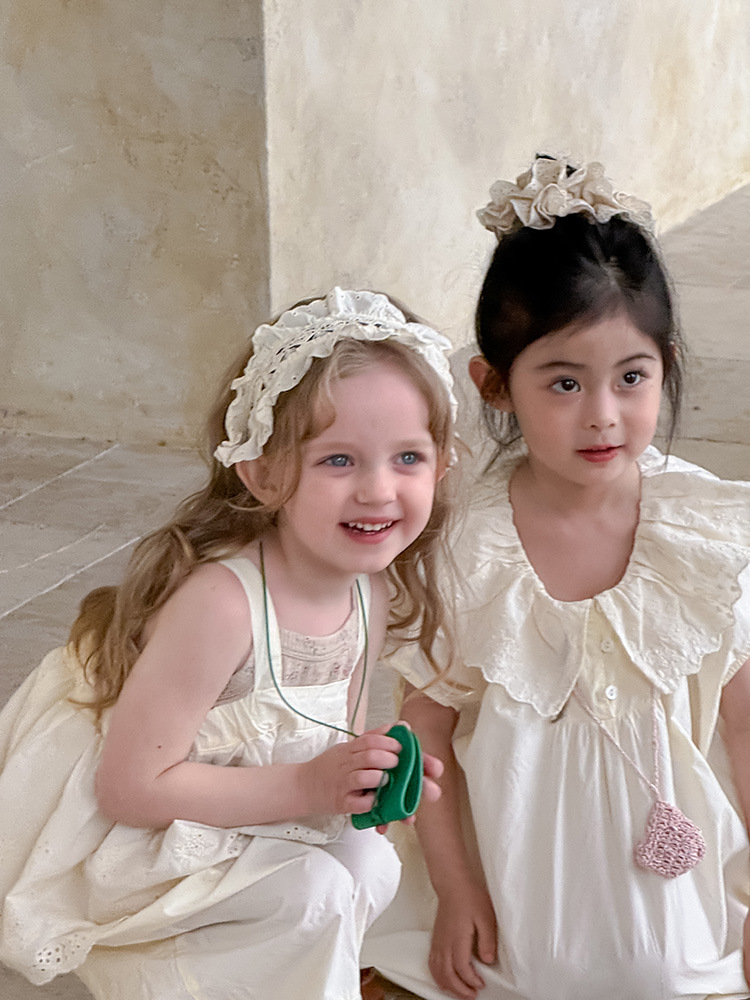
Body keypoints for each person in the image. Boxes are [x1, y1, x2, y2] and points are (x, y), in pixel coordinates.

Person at [362, 157, 750, 1000]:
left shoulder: (709, 533)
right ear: (495, 384)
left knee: (660, 975)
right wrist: (457, 889)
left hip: (675, 885)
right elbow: (425, 735)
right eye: (565, 383)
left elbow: (747, 725)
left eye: (631, 378)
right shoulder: (465, 545)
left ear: (666, 365)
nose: (603, 415)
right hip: (517, 879)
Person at [0, 287, 457, 1000]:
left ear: (441, 465)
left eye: (407, 457)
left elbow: (327, 733)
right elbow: (129, 788)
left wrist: (365, 776)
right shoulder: (221, 604)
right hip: (150, 830)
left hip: (253, 805)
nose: (378, 490)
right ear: (263, 472)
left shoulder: (368, 589)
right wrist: (308, 786)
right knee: (311, 891)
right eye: (338, 460)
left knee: (370, 863)